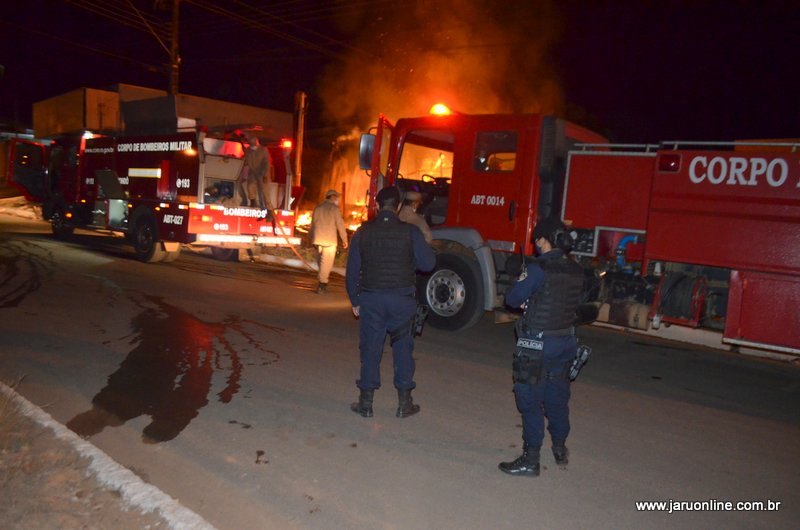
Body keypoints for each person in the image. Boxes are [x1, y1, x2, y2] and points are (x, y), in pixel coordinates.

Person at [499, 217, 584, 476]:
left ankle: (530, 459)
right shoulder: (575, 269)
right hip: (566, 343)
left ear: (544, 240)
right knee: (557, 398)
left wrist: (527, 297)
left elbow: (513, 299)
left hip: (537, 344)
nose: (536, 244)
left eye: (537, 239)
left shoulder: (539, 268)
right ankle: (559, 449)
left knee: (530, 399)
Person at [346, 186, 436, 418]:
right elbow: (428, 264)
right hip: (401, 302)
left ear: (376, 206)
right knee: (403, 350)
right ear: (397, 207)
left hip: (371, 300)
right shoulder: (410, 232)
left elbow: (352, 272)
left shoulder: (362, 233)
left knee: (370, 350)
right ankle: (404, 404)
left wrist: (355, 300)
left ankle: (366, 404)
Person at [309, 189, 349, 293]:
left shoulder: (318, 208)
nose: (337, 199)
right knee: (327, 263)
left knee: (321, 261)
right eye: (336, 197)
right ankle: (322, 284)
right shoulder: (334, 209)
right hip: (329, 241)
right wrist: (344, 239)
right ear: (333, 197)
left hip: (318, 240)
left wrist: (311, 238)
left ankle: (322, 278)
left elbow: (312, 225)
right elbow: (340, 224)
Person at [238, 132, 272, 208]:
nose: (253, 146)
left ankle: (268, 209)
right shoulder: (248, 151)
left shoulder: (263, 150)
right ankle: (253, 201)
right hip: (253, 172)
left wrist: (265, 175)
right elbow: (245, 160)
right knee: (250, 185)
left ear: (257, 143)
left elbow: (266, 163)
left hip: (262, 172)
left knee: (264, 191)